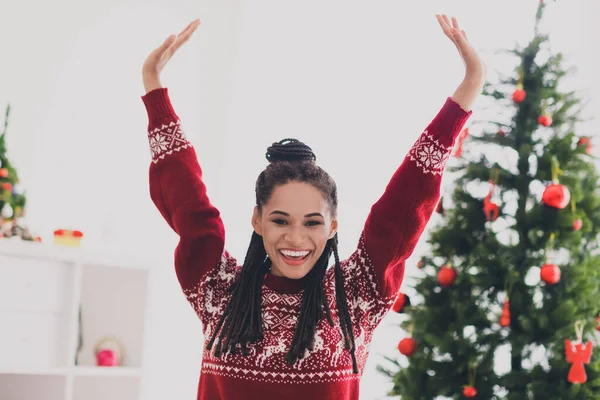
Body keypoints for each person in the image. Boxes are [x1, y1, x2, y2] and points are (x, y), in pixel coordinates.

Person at [141, 14, 484, 400]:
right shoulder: (218, 290)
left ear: (333, 226)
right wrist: (154, 87)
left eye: (312, 223)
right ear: (257, 220)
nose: (295, 237)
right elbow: (189, 204)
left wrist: (469, 87)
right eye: (280, 220)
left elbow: (402, 204)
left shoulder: (358, 294)